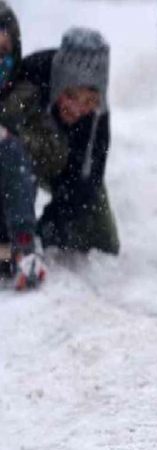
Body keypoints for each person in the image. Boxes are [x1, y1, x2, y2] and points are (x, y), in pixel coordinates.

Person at [19, 27, 120, 256]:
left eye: (89, 102)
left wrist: (50, 226)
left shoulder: (97, 117)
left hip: (64, 168)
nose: (77, 109)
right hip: (19, 161)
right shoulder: (28, 77)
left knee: (104, 242)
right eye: (71, 96)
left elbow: (89, 181)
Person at [0, 1, 67, 290]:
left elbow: (53, 152)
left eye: (3, 54)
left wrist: (13, 138)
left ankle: (22, 247)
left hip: (7, 213)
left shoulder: (24, 92)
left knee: (11, 151)